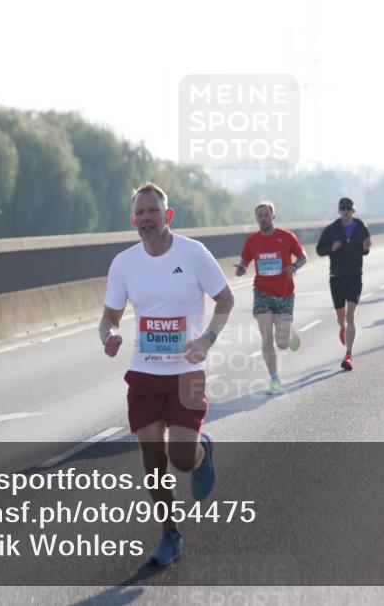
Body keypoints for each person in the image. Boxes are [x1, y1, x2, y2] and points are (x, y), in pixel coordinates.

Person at [100, 181, 234, 566]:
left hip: (187, 373)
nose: (145, 218)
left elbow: (226, 298)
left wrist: (207, 339)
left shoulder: (193, 254)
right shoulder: (123, 263)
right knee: (152, 461)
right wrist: (108, 334)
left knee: (180, 457)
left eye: (152, 211)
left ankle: (201, 451)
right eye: (139, 213)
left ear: (168, 215)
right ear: (133, 220)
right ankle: (169, 535)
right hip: (144, 373)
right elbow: (109, 316)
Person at [234, 201, 308, 394]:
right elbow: (245, 260)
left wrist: (295, 266)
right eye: (260, 215)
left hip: (284, 293)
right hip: (262, 293)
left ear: (273, 216)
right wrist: (242, 268)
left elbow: (303, 257)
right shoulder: (252, 241)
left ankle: (289, 333)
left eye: (267, 214)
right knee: (266, 337)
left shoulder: (286, 237)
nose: (263, 218)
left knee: (282, 343)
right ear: (256, 218)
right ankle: (274, 378)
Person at [316, 197, 371, 371]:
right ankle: (342, 328)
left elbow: (365, 249)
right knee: (342, 318)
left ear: (353, 211)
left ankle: (348, 355)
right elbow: (319, 249)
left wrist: (366, 248)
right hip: (337, 277)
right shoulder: (331, 230)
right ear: (339, 211)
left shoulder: (361, 227)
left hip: (355, 276)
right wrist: (331, 249)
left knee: (350, 315)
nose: (346, 211)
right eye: (343, 209)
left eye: (348, 208)